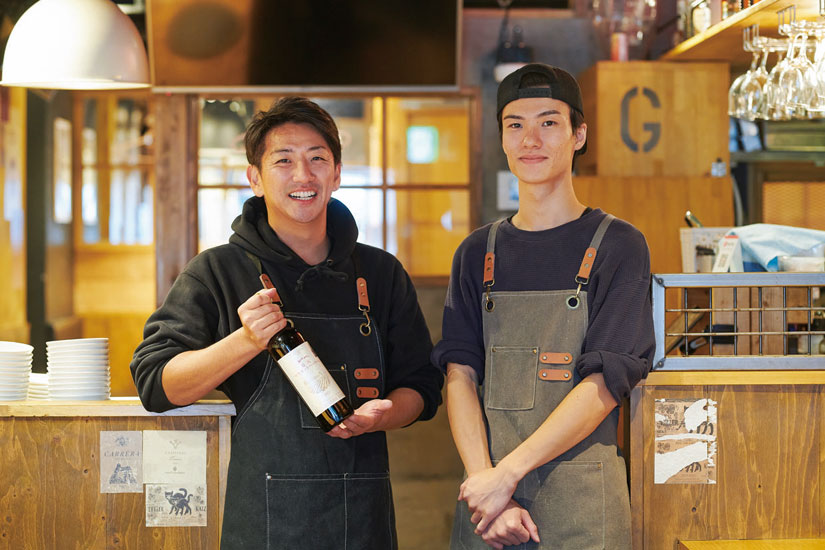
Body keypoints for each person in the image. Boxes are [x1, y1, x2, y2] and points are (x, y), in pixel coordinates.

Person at [131, 96, 444, 550]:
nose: (303, 175)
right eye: (284, 160)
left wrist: (385, 415)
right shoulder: (217, 272)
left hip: (362, 519)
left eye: (318, 159)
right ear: (255, 179)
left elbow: (422, 385)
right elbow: (157, 385)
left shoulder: (380, 273)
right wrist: (245, 340)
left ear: (337, 174)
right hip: (264, 523)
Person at [432, 64, 655, 550]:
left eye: (548, 122)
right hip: (488, 511)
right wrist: (486, 485)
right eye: (515, 124)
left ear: (579, 135)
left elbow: (605, 384)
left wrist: (505, 475)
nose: (530, 139)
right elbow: (459, 375)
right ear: (502, 138)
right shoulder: (476, 252)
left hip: (582, 508)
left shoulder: (620, 245)